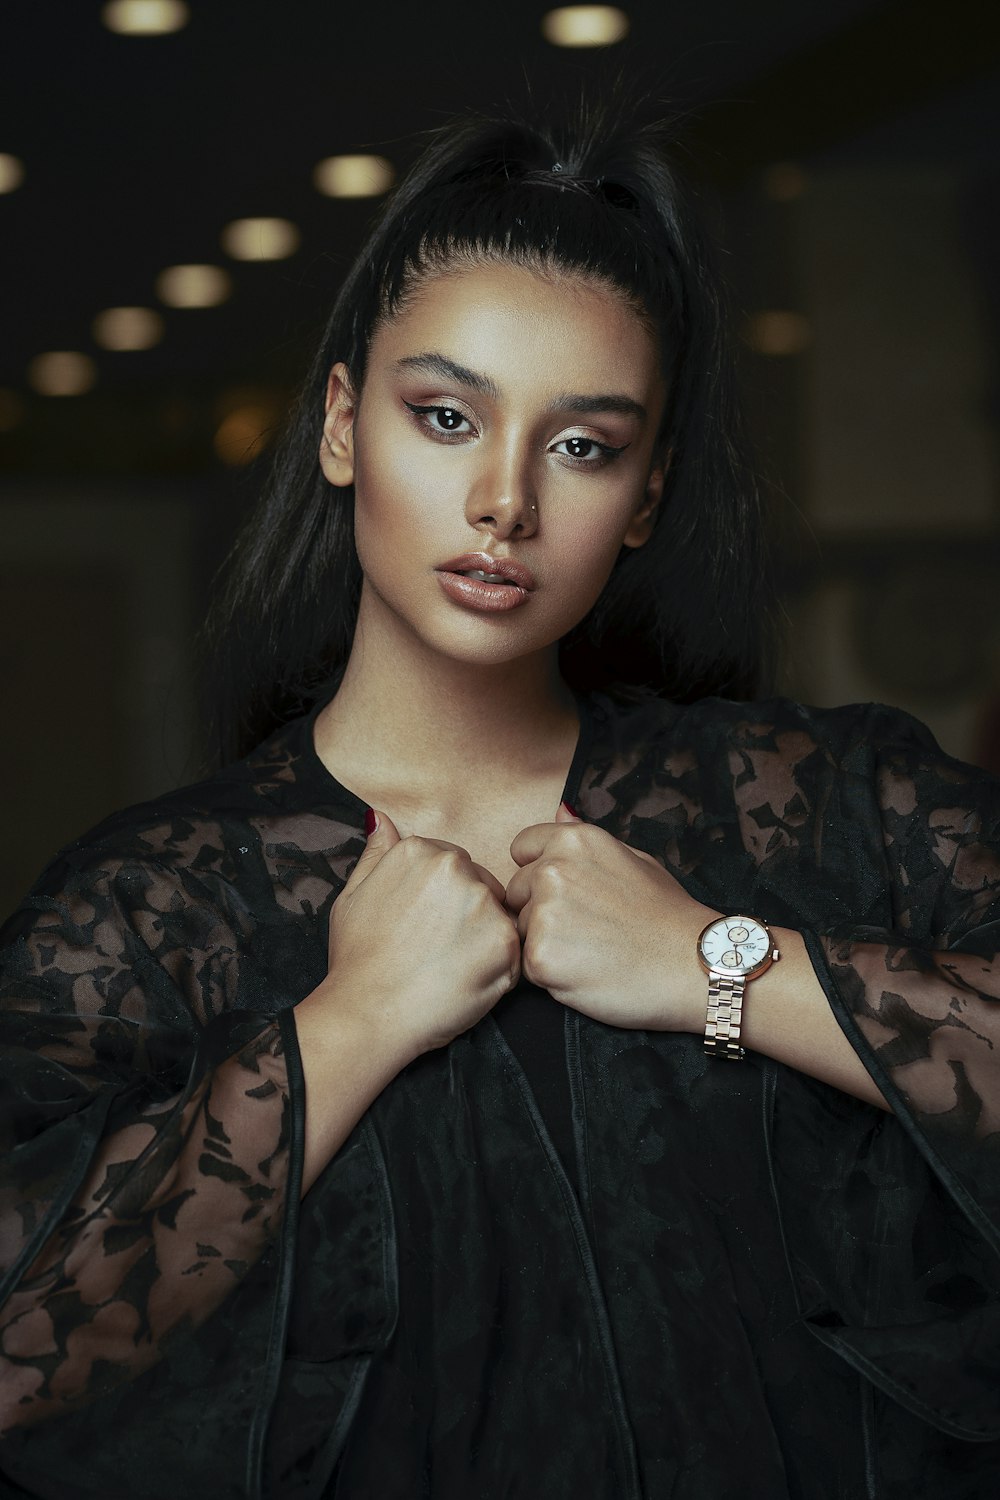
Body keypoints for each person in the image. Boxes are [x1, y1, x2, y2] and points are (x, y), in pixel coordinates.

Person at [1, 102, 998, 1500]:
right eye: (448, 416)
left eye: (582, 446)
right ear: (347, 425)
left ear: (645, 493)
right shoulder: (156, 912)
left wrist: (724, 964)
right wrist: (348, 1030)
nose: (503, 502)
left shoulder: (832, 804)